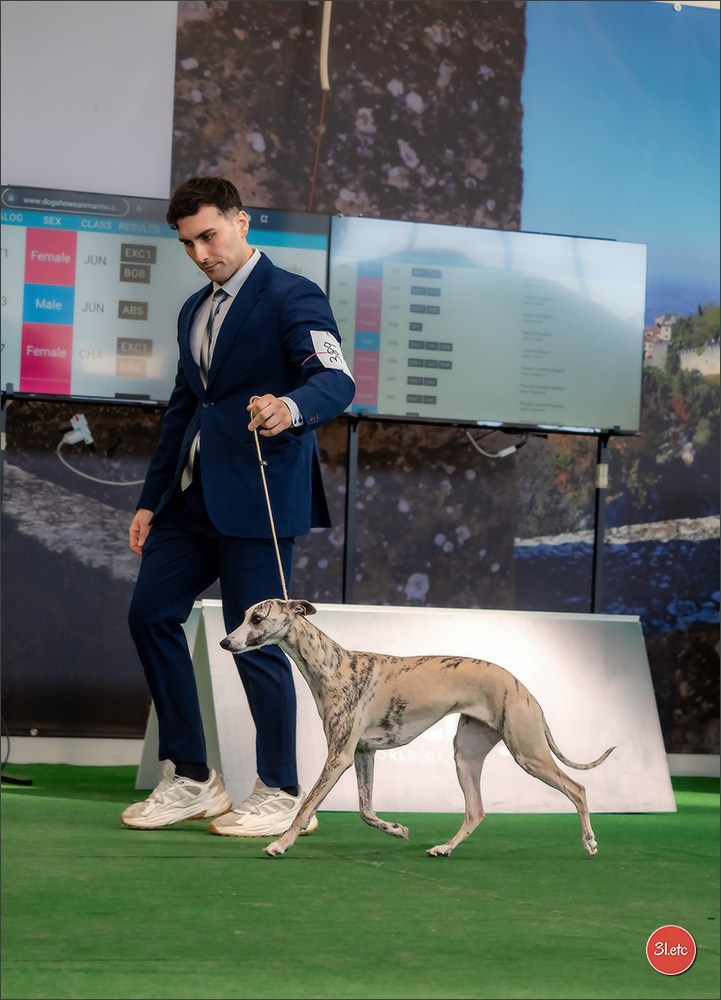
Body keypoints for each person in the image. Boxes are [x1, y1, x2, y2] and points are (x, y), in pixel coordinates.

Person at [122, 176, 355, 837]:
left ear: (240, 222)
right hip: (188, 504)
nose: (199, 253)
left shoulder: (292, 295)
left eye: (209, 236)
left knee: (255, 645)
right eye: (187, 243)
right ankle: (193, 777)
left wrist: (290, 407)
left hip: (258, 501)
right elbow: (181, 412)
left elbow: (334, 380)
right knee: (148, 616)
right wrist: (149, 501)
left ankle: (282, 792)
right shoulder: (193, 311)